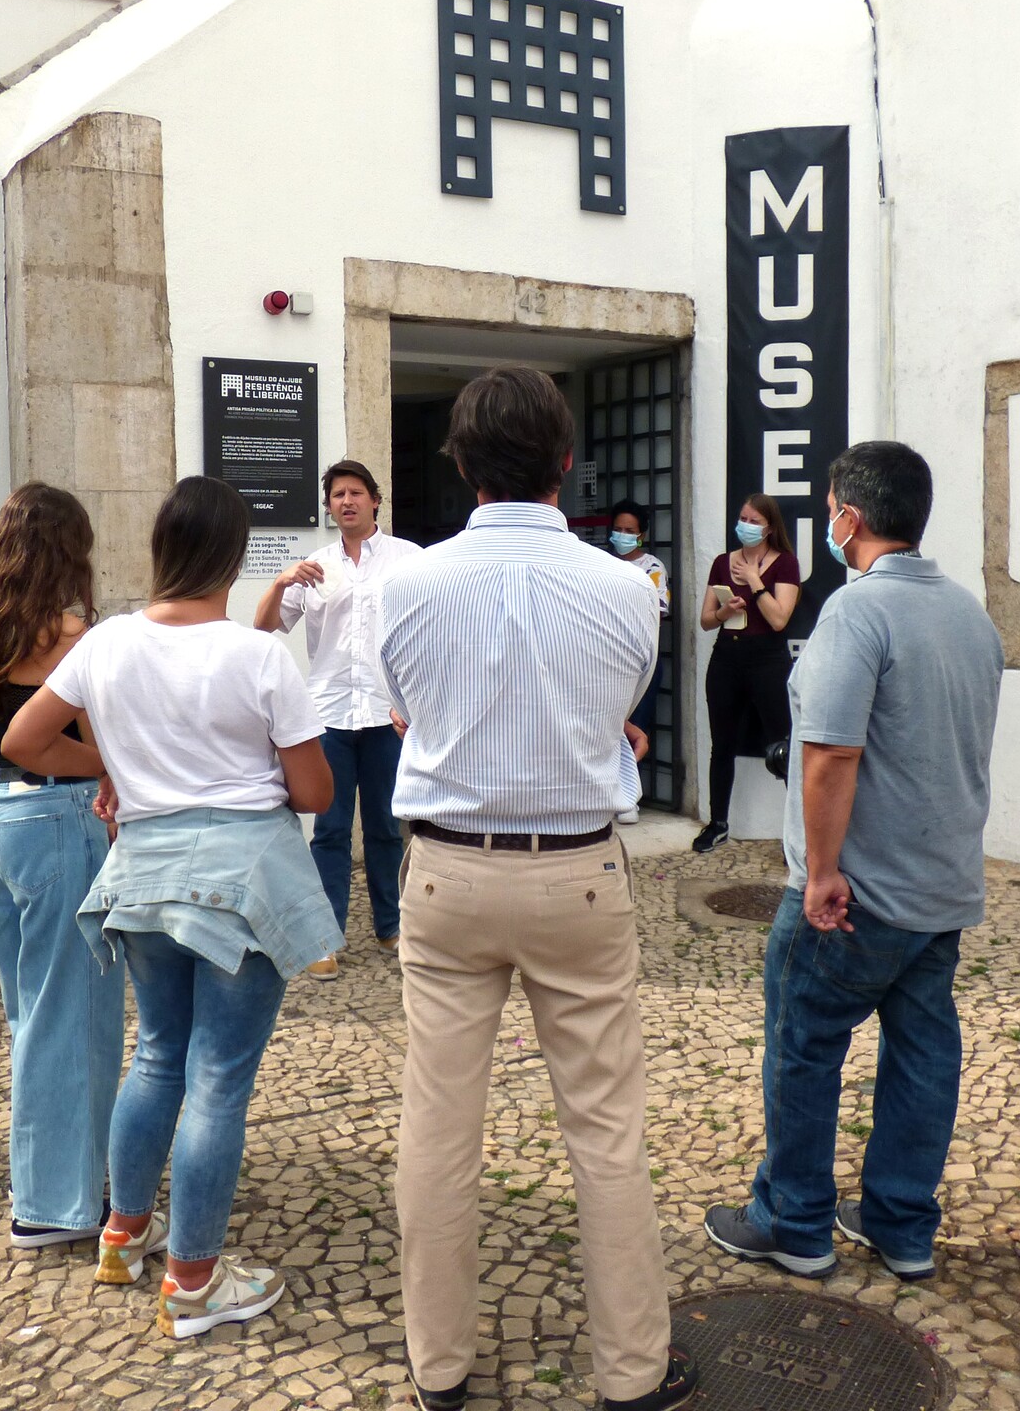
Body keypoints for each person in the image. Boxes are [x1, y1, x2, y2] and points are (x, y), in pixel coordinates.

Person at [379, 367, 692, 1411]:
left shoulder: (409, 583)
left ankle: (439, 1365)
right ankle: (632, 1371)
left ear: (461, 464)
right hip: (578, 871)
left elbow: (405, 712)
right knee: (605, 1128)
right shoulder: (627, 587)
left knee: (438, 1124)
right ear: (566, 461)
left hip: (448, 866)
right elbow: (617, 707)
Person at [3, 476, 339, 1339]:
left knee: (157, 1057)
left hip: (143, 874)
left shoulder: (106, 642)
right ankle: (193, 1282)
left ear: (161, 548)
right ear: (232, 555)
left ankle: (124, 1236)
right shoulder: (258, 656)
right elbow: (314, 792)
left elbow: (22, 740)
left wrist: (115, 770)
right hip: (239, 882)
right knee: (217, 1079)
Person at [702, 441, 1001, 1285]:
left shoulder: (856, 611)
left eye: (832, 507)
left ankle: (793, 1222)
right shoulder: (969, 614)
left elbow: (832, 751)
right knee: (923, 1054)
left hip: (857, 891)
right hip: (940, 885)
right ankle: (901, 1225)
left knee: (803, 1047)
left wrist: (823, 870)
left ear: (850, 518)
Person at [0, 483, 122, 1249]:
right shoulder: (70, 634)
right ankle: (55, 1205)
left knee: (33, 1015)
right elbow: (75, 741)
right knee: (72, 1017)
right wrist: (110, 767)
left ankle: (49, 1175)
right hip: (55, 819)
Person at [254, 459, 422, 976]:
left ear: (375, 500)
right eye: (336, 495)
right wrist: (281, 581)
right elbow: (263, 628)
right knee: (328, 829)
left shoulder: (409, 559)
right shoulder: (314, 566)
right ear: (328, 507)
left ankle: (392, 926)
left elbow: (432, 627)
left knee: (386, 828)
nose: (346, 502)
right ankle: (325, 938)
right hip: (328, 715)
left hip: (386, 712)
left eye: (355, 493)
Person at [691, 493, 800, 853]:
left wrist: (755, 581)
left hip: (768, 659)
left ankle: (799, 835)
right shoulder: (723, 562)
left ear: (769, 527)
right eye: (743, 518)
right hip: (727, 657)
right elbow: (706, 620)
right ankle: (718, 823)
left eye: (754, 521)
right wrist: (725, 612)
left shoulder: (785, 564)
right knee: (722, 744)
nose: (746, 526)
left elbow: (779, 619)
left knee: (782, 746)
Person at [608, 499, 671, 821]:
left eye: (629, 530)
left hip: (640, 661)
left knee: (637, 727)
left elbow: (656, 612)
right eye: (618, 529)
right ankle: (607, 792)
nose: (622, 535)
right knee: (606, 726)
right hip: (606, 660)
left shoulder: (652, 568)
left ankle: (629, 797)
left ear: (641, 534)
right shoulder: (602, 563)